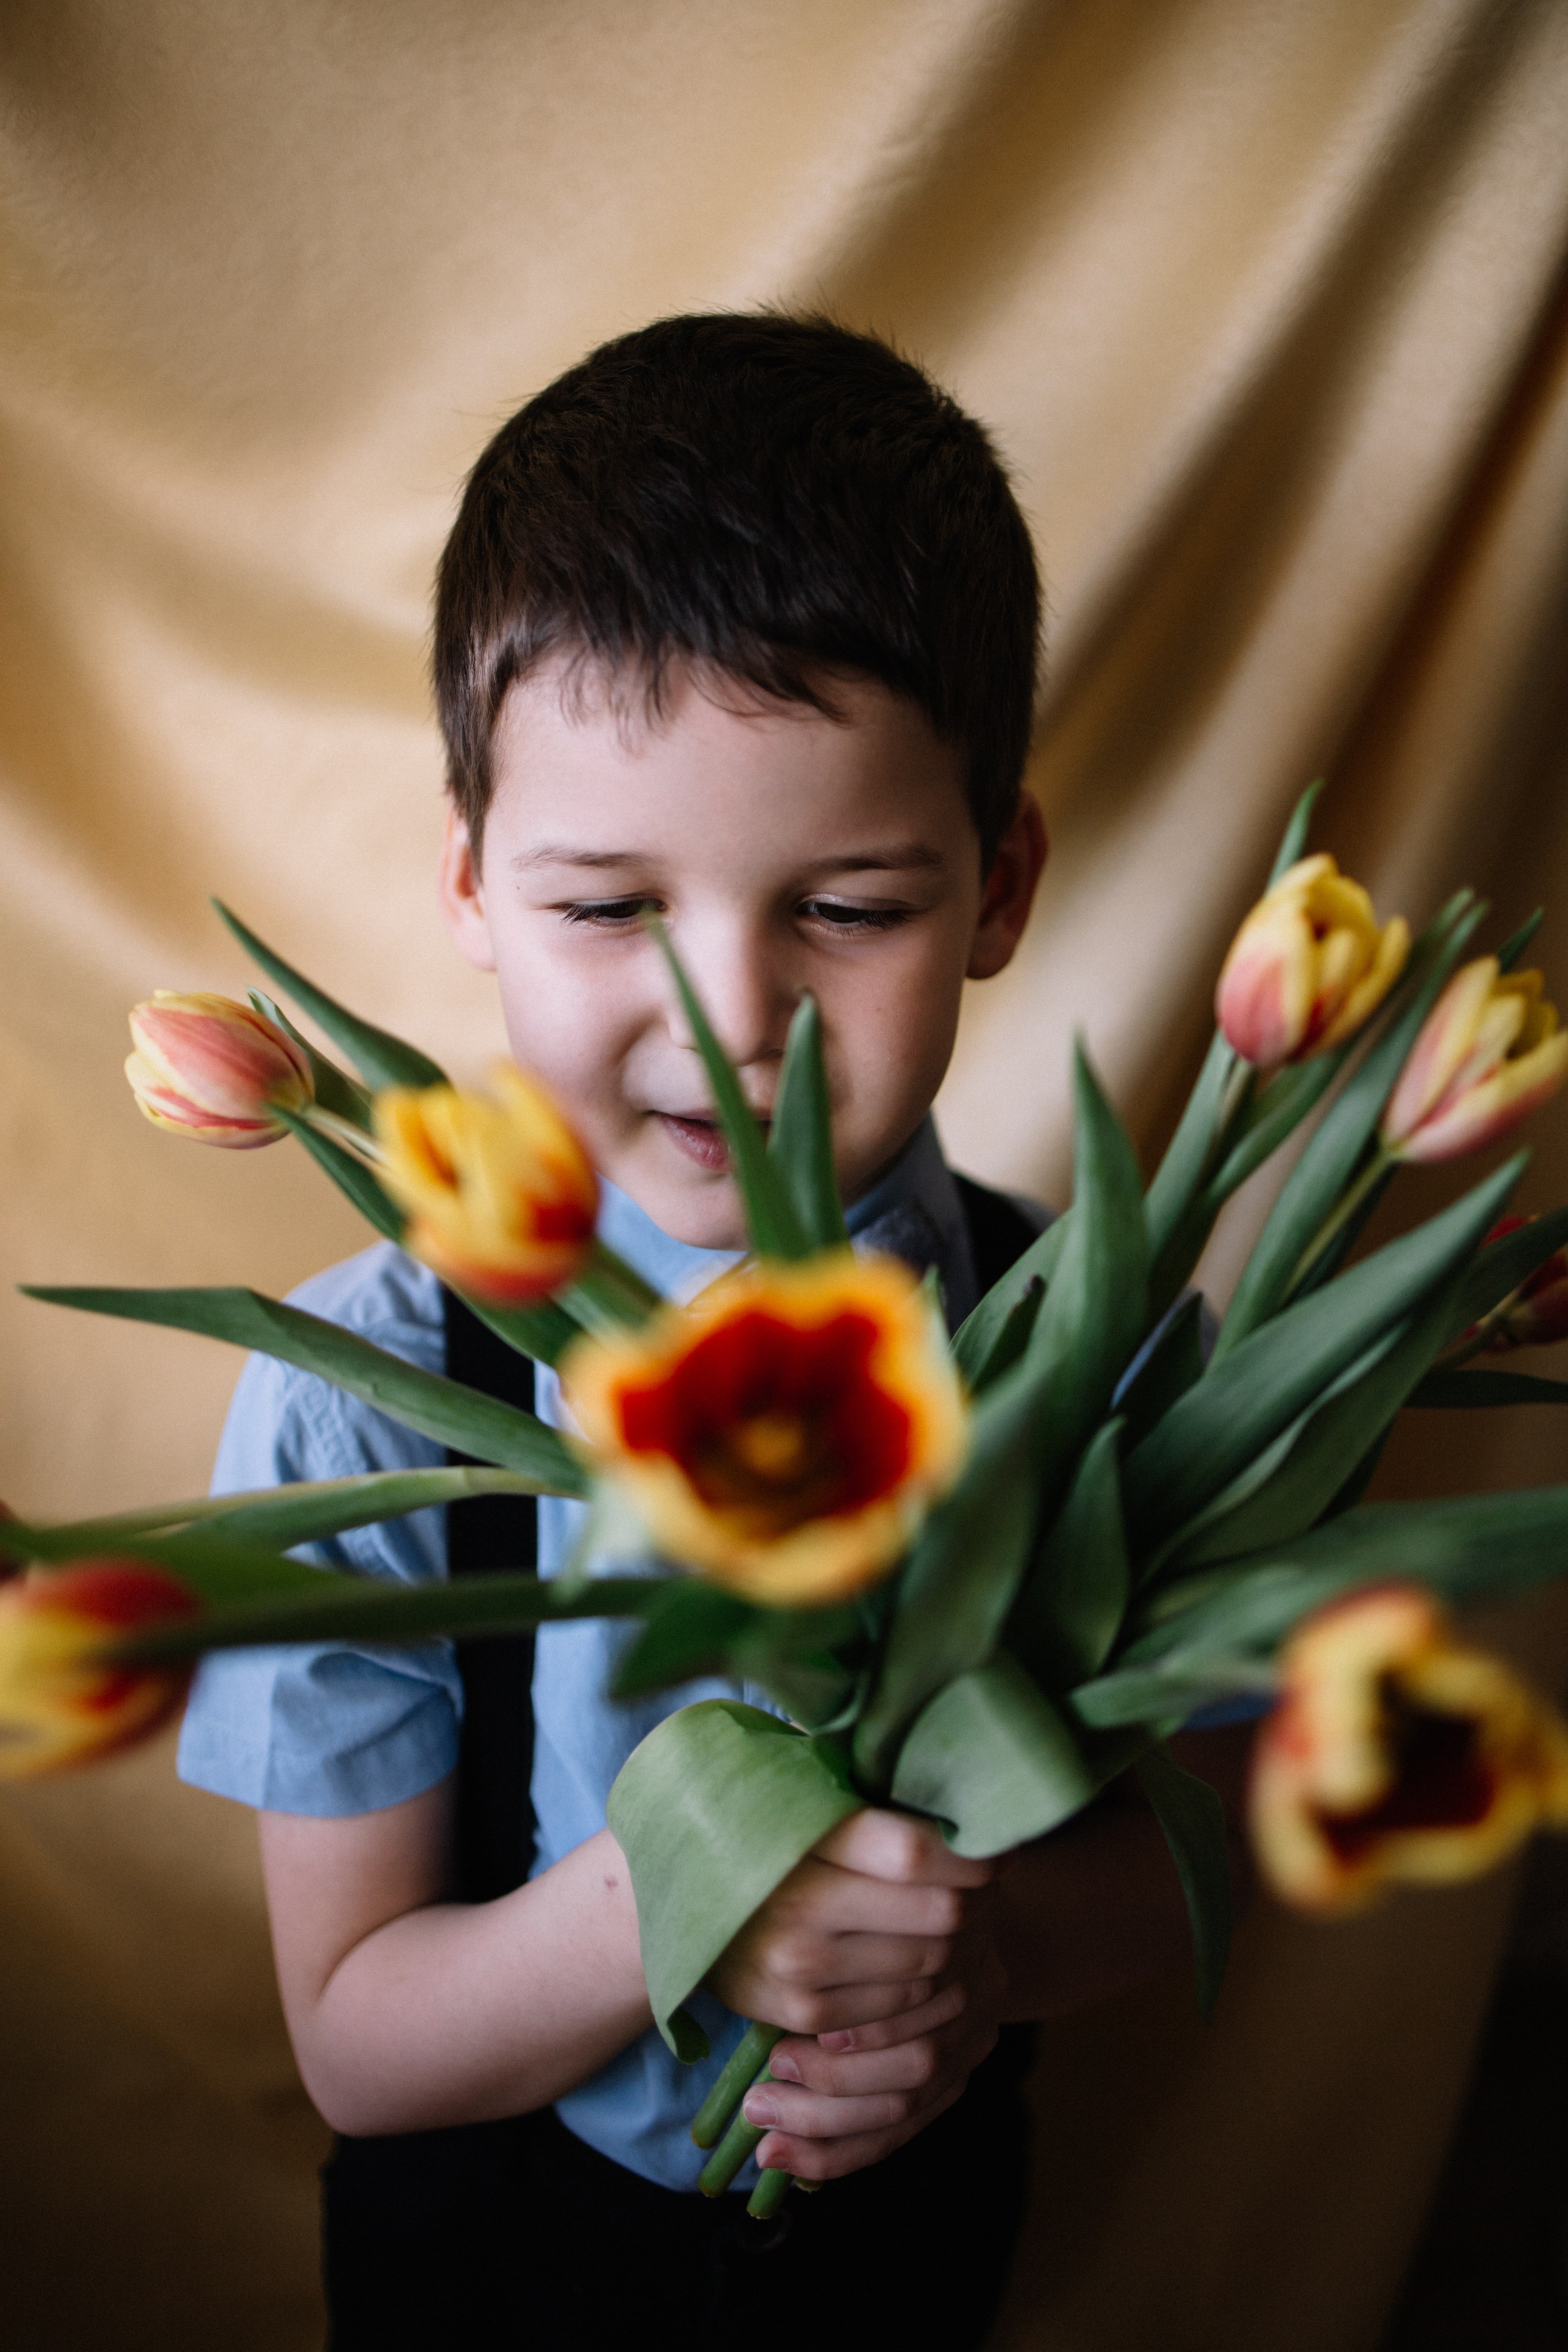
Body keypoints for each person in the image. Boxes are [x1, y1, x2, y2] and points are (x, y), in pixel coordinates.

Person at [177, 313, 1251, 2350]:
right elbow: (359, 2046)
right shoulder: (361, 1398)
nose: (731, 1017)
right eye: (606, 910)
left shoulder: (1107, 1348)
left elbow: (1206, 1835)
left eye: (845, 907)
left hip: (913, 2251)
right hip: (492, 2267)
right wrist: (701, 1871)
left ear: (998, 886)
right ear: (477, 886)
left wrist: (974, 1961)